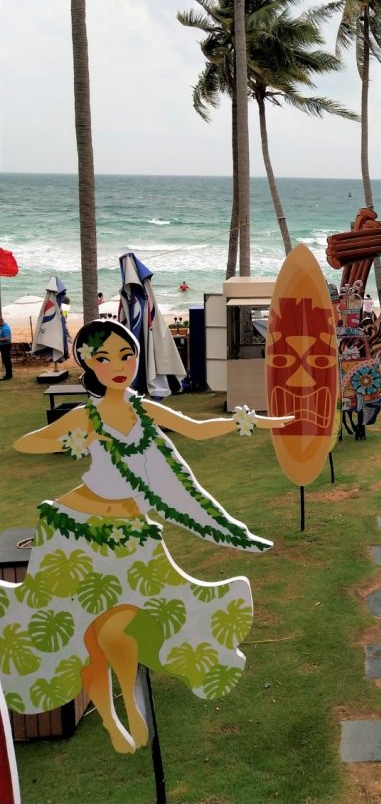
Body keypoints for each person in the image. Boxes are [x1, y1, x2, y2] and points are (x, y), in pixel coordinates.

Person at [10, 319, 291, 754]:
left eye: (128, 355)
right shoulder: (86, 414)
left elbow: (196, 428)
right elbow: (25, 444)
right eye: (104, 358)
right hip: (75, 530)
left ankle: (130, 704)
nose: (119, 365)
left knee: (117, 630)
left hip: (131, 533)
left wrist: (258, 423)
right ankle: (109, 718)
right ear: (87, 362)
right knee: (85, 632)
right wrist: (74, 440)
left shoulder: (143, 408)